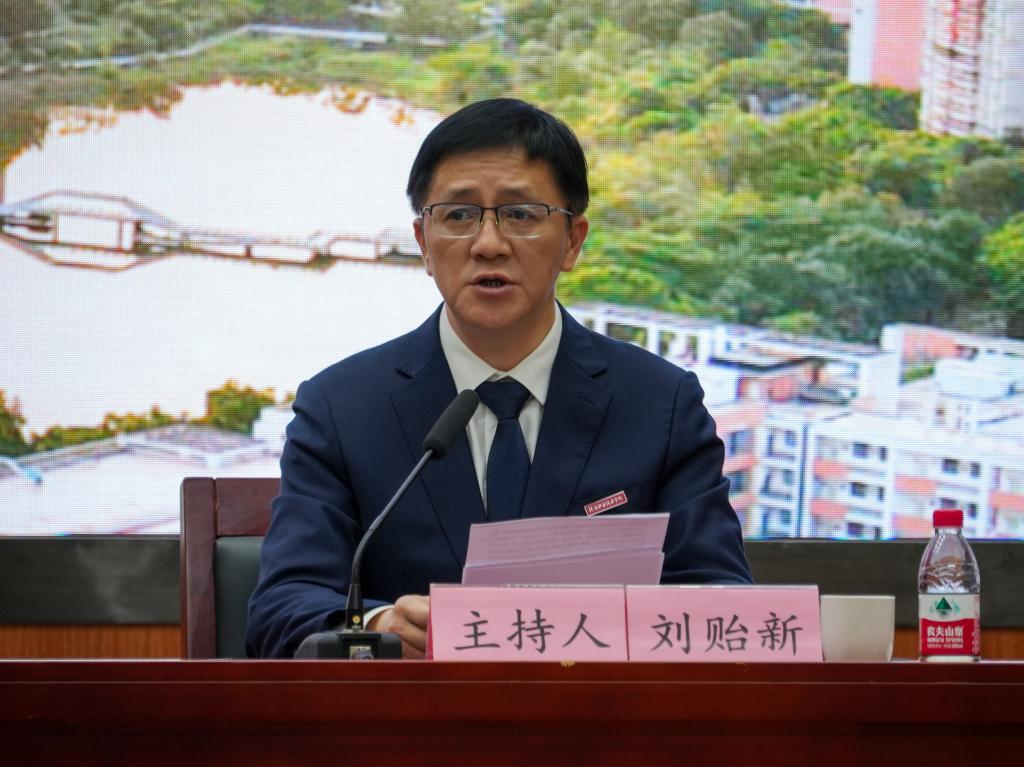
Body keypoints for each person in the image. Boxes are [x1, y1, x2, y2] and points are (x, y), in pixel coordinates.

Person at [246, 98, 752, 659]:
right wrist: (380, 627)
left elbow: (721, 598)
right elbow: (282, 609)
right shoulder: (342, 407)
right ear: (423, 243)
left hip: (596, 711)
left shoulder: (660, 403)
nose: (488, 243)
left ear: (573, 240)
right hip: (414, 712)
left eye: (521, 214)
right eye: (459, 216)